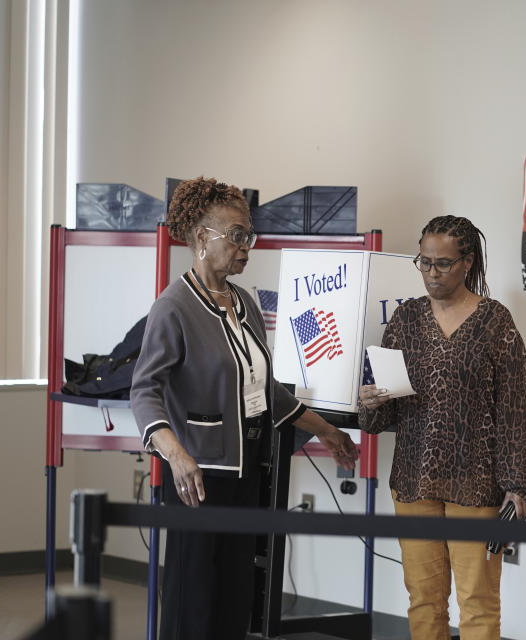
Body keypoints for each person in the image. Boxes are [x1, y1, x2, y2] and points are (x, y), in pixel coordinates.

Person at [130, 177, 358, 640]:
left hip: (248, 472)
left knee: (235, 596)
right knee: (193, 599)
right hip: (199, 478)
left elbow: (265, 390)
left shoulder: (245, 303)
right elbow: (144, 390)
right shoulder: (173, 308)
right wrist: (176, 455)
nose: (245, 247)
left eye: (247, 235)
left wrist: (327, 429)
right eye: (235, 235)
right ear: (200, 238)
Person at [358, 215, 526, 640]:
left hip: (476, 484)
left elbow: (514, 412)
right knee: (423, 598)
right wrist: (370, 403)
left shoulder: (496, 323)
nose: (431, 273)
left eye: (442, 264)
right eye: (424, 262)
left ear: (467, 263)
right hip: (413, 479)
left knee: (477, 602)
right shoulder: (405, 319)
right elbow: (383, 416)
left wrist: (518, 486)